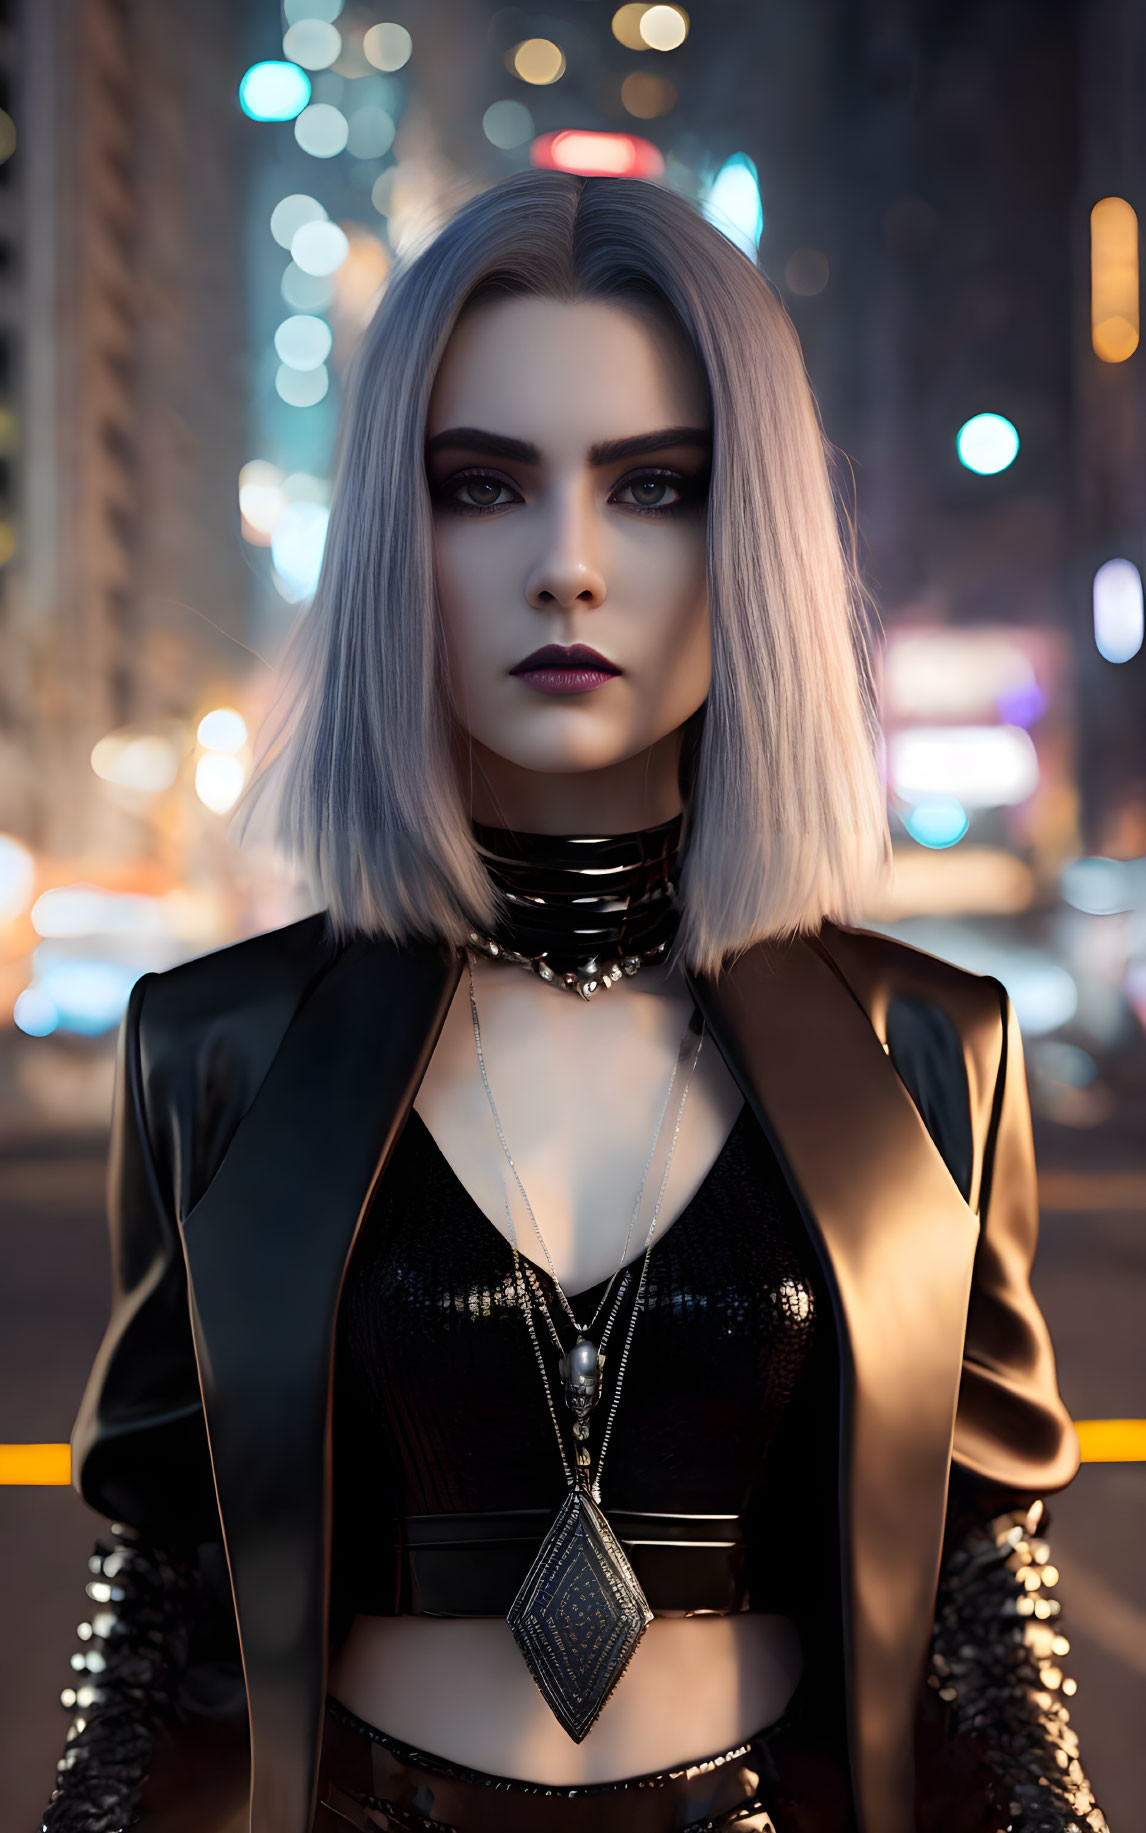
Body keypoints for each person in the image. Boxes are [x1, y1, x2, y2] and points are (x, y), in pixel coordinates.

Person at [40, 172, 1108, 1833]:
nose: (566, 568)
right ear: (399, 534)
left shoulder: (927, 1047)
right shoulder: (219, 1046)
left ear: (747, 530)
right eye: (479, 486)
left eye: (655, 487)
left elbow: (984, 1621)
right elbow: (154, 1623)